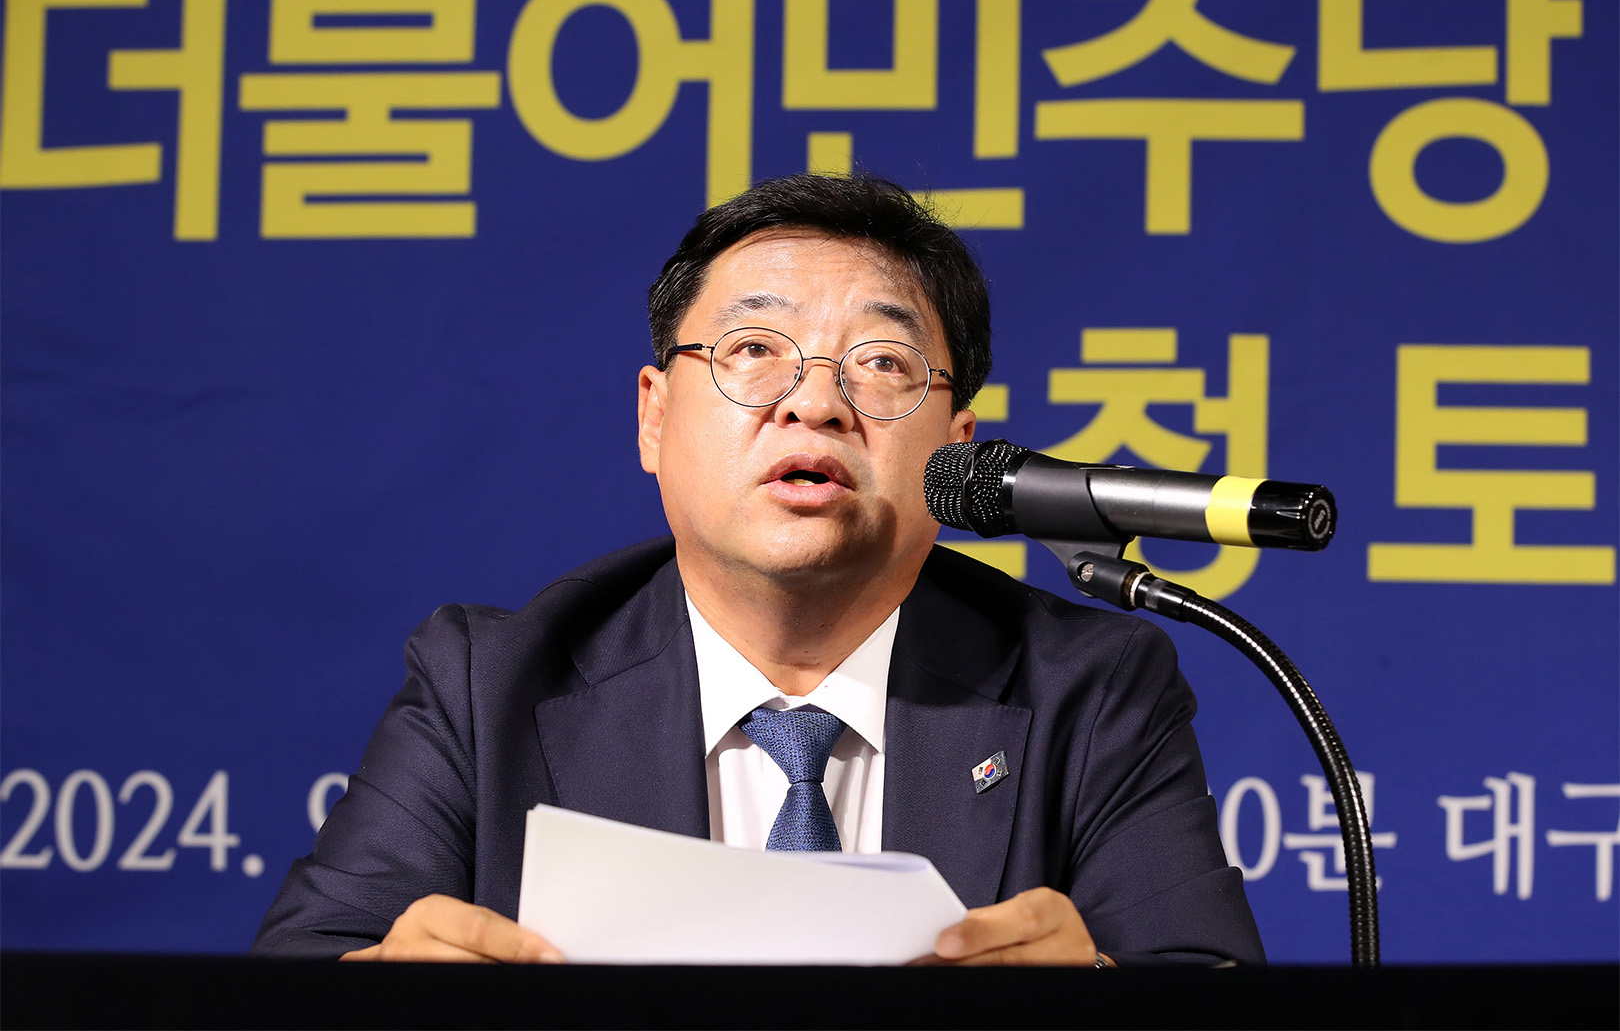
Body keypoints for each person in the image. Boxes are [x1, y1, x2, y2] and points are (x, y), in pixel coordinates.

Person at [252, 173, 1264, 966]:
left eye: (881, 363)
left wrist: (1091, 1000)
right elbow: (288, 987)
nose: (815, 404)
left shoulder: (1091, 690)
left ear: (956, 451)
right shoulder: (487, 686)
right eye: (752, 349)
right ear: (654, 416)